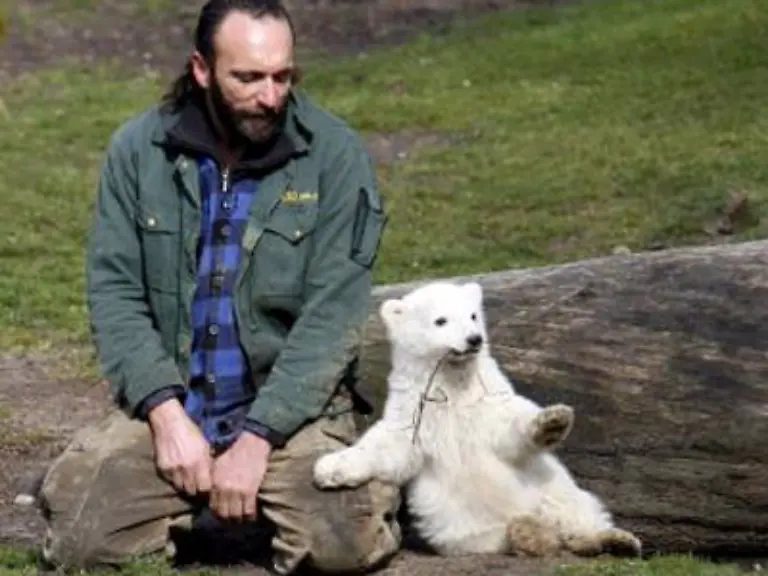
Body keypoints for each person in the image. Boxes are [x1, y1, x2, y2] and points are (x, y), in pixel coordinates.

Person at [35, 0, 402, 573]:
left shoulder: (335, 156)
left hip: (289, 414)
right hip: (180, 404)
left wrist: (258, 439)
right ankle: (200, 497)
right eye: (248, 77)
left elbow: (334, 315)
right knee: (85, 540)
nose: (271, 96)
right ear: (202, 69)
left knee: (341, 544)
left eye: (283, 76)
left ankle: (285, 489)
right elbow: (116, 293)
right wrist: (165, 415)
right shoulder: (137, 151)